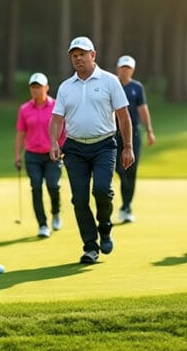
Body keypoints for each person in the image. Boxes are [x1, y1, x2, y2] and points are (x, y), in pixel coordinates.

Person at [49, 37, 134, 265]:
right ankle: (90, 246)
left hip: (105, 145)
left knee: (102, 190)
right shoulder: (66, 87)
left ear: (93, 55)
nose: (78, 59)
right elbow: (57, 118)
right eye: (74, 55)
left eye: (82, 54)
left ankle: (105, 228)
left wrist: (127, 147)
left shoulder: (109, 81)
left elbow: (123, 116)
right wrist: (54, 142)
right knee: (79, 199)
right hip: (75, 148)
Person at [14, 72, 65, 238]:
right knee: (36, 187)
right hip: (33, 155)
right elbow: (21, 133)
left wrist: (60, 148)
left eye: (39, 87)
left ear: (47, 88)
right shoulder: (24, 109)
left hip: (53, 155)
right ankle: (42, 224)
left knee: (53, 185)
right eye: (33, 87)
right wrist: (18, 155)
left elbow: (63, 130)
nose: (36, 90)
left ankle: (56, 212)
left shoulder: (56, 106)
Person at [114, 55, 156, 223]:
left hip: (134, 135)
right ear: (118, 69)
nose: (125, 70)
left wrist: (149, 131)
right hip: (113, 134)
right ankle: (124, 198)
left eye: (128, 68)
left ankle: (126, 206)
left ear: (132, 70)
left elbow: (143, 109)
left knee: (131, 170)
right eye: (123, 67)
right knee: (118, 168)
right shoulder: (112, 85)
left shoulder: (137, 87)